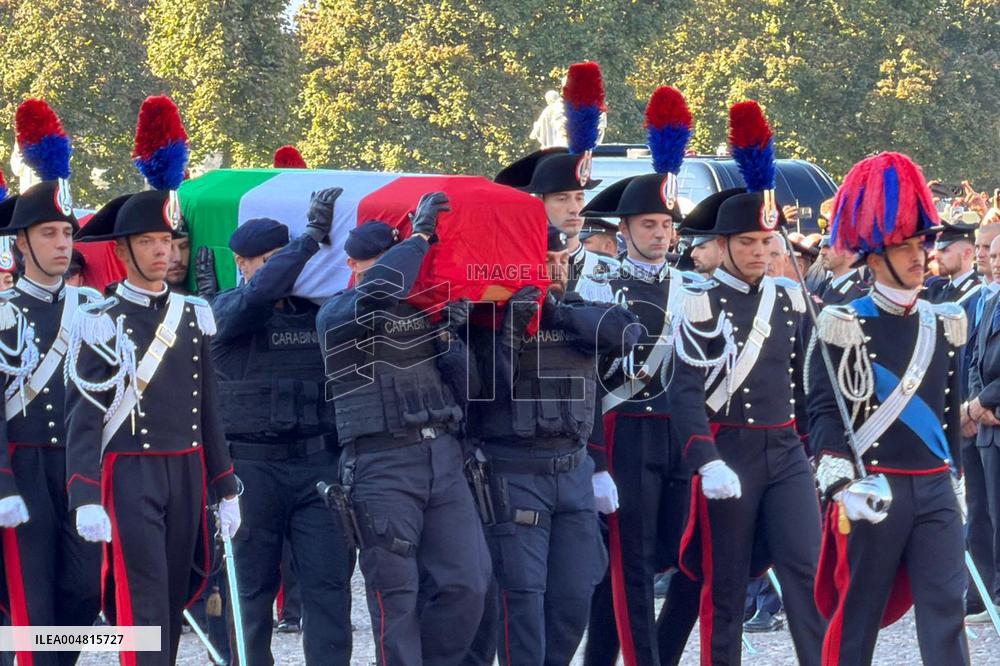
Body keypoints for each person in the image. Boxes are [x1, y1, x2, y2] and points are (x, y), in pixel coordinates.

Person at [64, 95, 241, 666]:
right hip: (130, 471)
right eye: (150, 243)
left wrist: (225, 483)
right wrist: (86, 493)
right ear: (122, 251)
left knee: (172, 598)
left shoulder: (194, 314)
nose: (165, 252)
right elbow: (86, 412)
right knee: (141, 601)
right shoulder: (100, 320)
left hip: (187, 467)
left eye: (170, 243)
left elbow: (206, 405)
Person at [668, 102, 825, 666]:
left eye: (767, 244)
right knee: (726, 587)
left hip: (785, 451)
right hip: (728, 450)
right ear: (726, 245)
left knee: (807, 574)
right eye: (749, 244)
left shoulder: (790, 300)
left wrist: (821, 450)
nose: (761, 253)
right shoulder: (699, 301)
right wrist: (705, 459)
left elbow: (811, 383)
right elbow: (684, 390)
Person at [317, 195, 491, 666]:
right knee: (395, 601)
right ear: (354, 265)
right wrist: (419, 235)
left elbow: (472, 391)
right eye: (381, 262)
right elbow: (378, 290)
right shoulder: (337, 313)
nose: (405, 273)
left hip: (444, 458)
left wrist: (450, 337)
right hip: (382, 466)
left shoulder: (421, 313)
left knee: (468, 584)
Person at [810, 152, 969, 665]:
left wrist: (955, 476)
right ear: (874, 256)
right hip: (874, 484)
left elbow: (945, 413)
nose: (920, 256)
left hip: (934, 485)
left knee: (947, 608)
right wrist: (842, 485)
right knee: (859, 613)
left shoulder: (943, 322)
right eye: (905, 247)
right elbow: (825, 413)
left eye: (923, 244)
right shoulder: (842, 323)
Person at [466, 225, 637, 665]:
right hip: (514, 471)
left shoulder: (583, 313)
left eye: (562, 261)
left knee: (574, 595)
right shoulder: (490, 318)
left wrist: (553, 310)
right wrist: (516, 321)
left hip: (573, 474)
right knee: (521, 598)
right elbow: (482, 385)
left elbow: (625, 333)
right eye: (547, 262)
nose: (557, 269)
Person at [205, 193, 355, 665]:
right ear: (242, 264)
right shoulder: (226, 310)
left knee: (329, 588)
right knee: (249, 593)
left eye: (281, 258)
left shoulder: (322, 312)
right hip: (251, 470)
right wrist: (310, 240)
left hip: (316, 465)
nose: (281, 270)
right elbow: (259, 294)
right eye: (268, 262)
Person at [579, 171, 707, 666]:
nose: (660, 233)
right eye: (648, 224)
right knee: (629, 565)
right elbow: (587, 377)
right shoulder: (598, 286)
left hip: (680, 432)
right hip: (625, 429)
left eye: (666, 224)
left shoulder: (690, 288)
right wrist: (596, 459)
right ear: (625, 231)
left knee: (681, 559)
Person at [0, 98, 102, 666]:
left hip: (78, 470)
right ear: (22, 242)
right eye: (49, 233)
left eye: (67, 233)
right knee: (31, 604)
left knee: (86, 591)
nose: (63, 244)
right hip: (24, 470)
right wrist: (2, 483)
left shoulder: (92, 310)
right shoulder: (3, 312)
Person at [495, 148, 618, 293]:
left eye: (579, 198)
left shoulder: (613, 274)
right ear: (538, 204)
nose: (574, 209)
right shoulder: (511, 273)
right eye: (562, 198)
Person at [963, 222, 1000, 621]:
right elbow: (975, 359)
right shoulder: (990, 302)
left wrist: (978, 405)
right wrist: (976, 403)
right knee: (988, 513)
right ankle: (992, 593)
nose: (994, 263)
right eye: (991, 256)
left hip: (993, 415)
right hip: (988, 425)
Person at [925, 222, 979, 304]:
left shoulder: (977, 293)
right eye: (937, 251)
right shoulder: (936, 288)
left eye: (944, 250)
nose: (937, 257)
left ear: (966, 253)